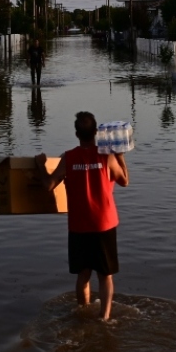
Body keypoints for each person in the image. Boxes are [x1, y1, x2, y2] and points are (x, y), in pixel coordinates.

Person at [36, 111, 129, 321]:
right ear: (96, 132)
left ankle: (83, 313)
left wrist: (40, 164)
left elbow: (48, 185)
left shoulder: (68, 158)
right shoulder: (107, 156)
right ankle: (105, 318)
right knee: (105, 275)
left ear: (77, 134)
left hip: (79, 225)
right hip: (104, 223)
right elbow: (124, 180)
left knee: (83, 274)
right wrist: (120, 155)